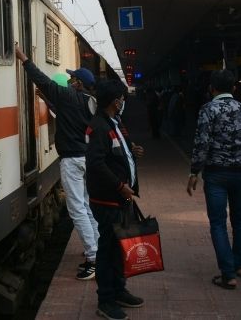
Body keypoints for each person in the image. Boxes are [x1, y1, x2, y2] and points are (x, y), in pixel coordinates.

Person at [14, 44, 99, 280]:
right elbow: (68, 115)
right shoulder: (88, 101)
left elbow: (43, 80)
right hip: (86, 158)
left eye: (73, 79)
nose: (70, 81)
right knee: (87, 205)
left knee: (77, 209)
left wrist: (24, 59)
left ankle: (93, 259)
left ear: (79, 84)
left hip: (72, 161)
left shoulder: (69, 95)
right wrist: (51, 103)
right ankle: (98, 247)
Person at [186, 69, 241, 290]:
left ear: (211, 88)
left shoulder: (208, 110)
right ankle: (240, 265)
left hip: (216, 174)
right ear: (233, 87)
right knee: (240, 220)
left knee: (217, 222)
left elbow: (202, 142)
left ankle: (228, 274)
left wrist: (194, 172)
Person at [85, 79, 145, 320]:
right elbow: (95, 163)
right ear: (114, 101)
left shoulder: (116, 122)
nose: (123, 101)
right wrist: (120, 186)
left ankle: (119, 290)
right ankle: (105, 300)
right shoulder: (98, 126)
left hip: (121, 198)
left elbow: (120, 151)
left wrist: (134, 151)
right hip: (108, 200)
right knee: (108, 250)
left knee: (120, 247)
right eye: (121, 98)